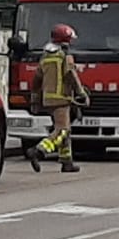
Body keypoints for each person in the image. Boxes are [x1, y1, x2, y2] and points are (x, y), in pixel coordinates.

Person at [26, 23, 90, 174]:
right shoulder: (64, 56)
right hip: (62, 98)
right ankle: (38, 150)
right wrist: (81, 94)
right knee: (62, 130)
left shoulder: (45, 56)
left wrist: (35, 99)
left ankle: (67, 162)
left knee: (64, 131)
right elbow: (71, 75)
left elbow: (36, 80)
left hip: (48, 99)